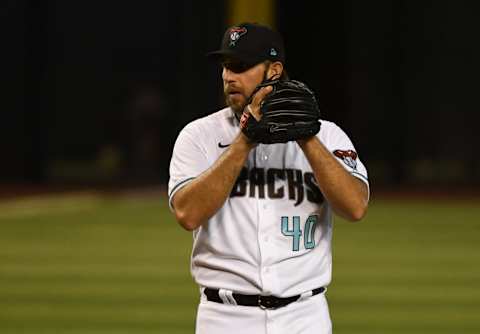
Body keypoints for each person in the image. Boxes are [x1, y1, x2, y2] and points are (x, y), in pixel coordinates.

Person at [168, 22, 369, 334]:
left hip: (305, 317)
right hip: (224, 318)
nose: (228, 76)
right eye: (225, 66)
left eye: (241, 66)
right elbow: (187, 213)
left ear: (274, 70)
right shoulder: (198, 136)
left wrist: (308, 137)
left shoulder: (327, 135)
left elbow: (355, 207)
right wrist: (244, 141)